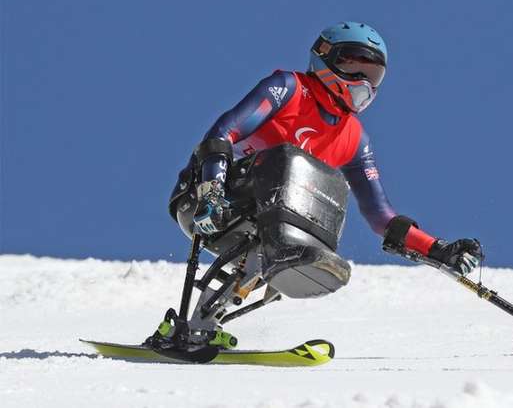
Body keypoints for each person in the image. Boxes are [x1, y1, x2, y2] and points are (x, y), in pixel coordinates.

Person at [167, 22, 484, 343]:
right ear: (324, 57)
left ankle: (204, 325)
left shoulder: (354, 138)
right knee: (289, 162)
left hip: (271, 225)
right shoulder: (288, 88)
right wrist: (212, 192)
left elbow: (381, 216)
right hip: (211, 201)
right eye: (354, 66)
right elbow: (224, 132)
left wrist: (437, 249)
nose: (363, 83)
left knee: (327, 188)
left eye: (372, 76)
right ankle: (207, 313)